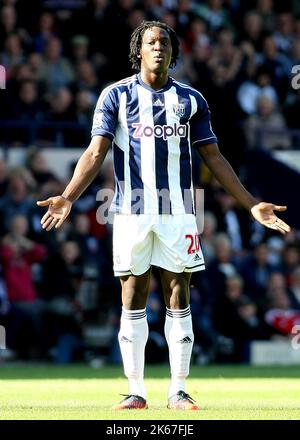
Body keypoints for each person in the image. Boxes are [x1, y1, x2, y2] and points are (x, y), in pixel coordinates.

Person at [37, 21, 291, 410]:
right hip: (130, 212)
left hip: (178, 212)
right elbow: (95, 151)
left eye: (165, 43)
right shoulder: (115, 95)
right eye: (151, 42)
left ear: (174, 53)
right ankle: (136, 390)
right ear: (139, 49)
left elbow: (213, 157)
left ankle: (178, 390)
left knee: (178, 293)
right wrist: (69, 196)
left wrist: (250, 202)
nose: (158, 48)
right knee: (133, 295)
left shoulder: (191, 100)